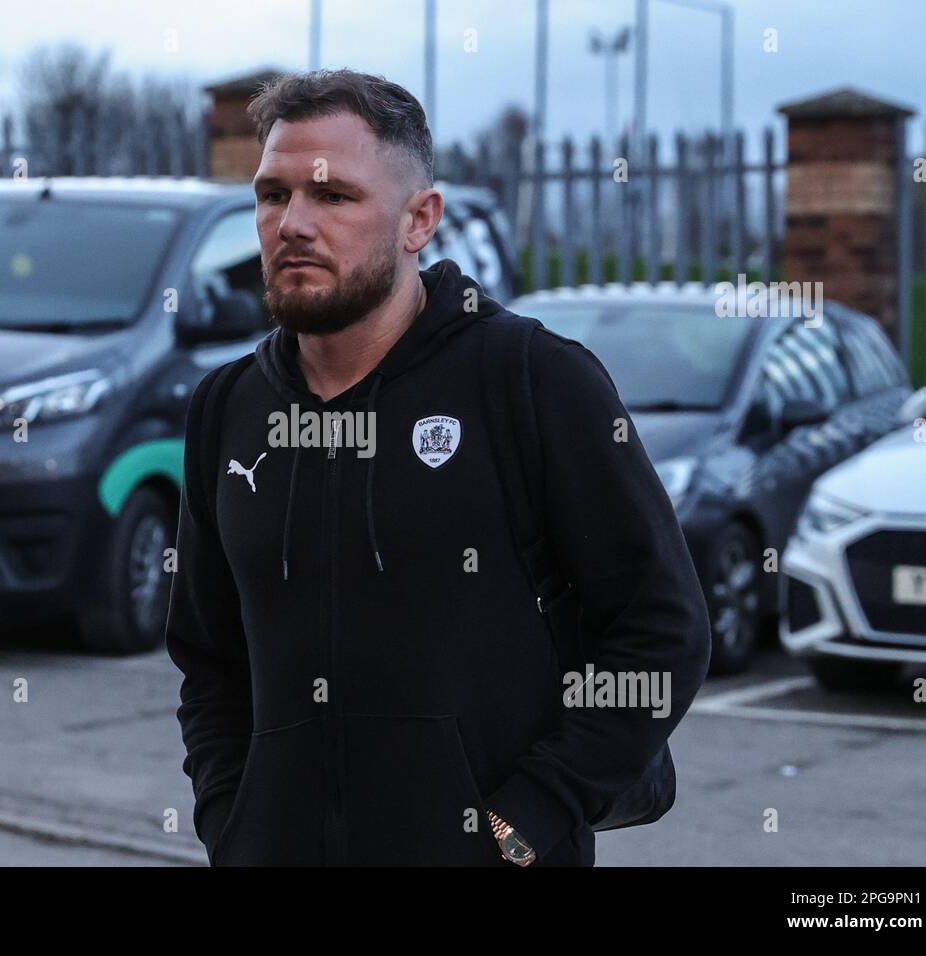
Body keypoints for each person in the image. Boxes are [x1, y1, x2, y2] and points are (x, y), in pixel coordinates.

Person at [165, 68, 712, 866]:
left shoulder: (530, 380)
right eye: (273, 194)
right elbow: (207, 660)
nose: (292, 224)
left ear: (420, 219)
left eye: (333, 197)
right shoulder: (227, 408)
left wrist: (525, 819)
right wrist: (232, 820)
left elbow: (663, 631)